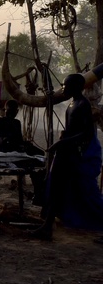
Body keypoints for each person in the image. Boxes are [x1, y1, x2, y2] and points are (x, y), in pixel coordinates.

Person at [30, 73, 103, 240]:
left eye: (66, 86)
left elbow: (85, 133)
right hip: (65, 150)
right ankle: (48, 225)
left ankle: (48, 226)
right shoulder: (72, 104)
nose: (63, 89)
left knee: (68, 188)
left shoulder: (82, 104)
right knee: (56, 187)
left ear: (77, 87)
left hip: (72, 152)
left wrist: (61, 143)